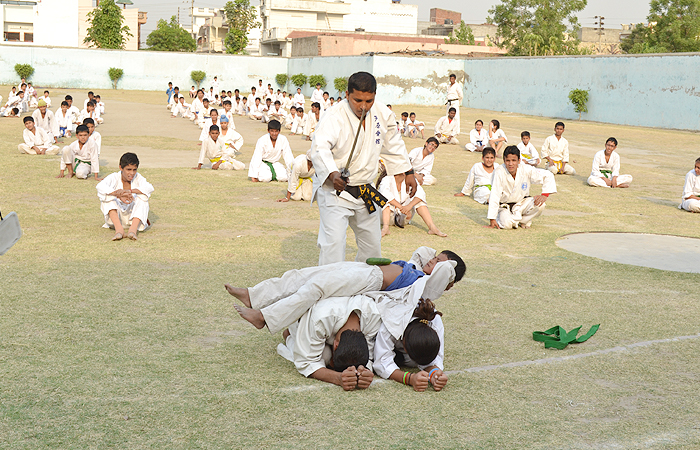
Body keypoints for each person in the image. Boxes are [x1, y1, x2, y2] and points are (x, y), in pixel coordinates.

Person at [276, 260, 457, 390]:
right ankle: (291, 335)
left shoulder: (374, 317)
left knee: (340, 358)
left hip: (344, 320)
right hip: (306, 320)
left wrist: (364, 371)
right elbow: (307, 363)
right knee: (324, 357)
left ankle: (333, 357)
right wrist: (338, 377)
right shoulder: (320, 319)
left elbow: (370, 356)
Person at [227, 248, 463, 335]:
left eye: (438, 262)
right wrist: (437, 258)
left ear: (447, 278)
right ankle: (254, 295)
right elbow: (423, 251)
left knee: (316, 287)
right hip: (364, 270)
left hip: (370, 280)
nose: (432, 260)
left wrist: (448, 269)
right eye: (436, 257)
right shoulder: (418, 267)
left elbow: (443, 273)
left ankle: (265, 318)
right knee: (305, 274)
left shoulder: (425, 287)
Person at [309, 71, 415, 265]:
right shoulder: (333, 116)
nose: (363, 106)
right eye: (357, 100)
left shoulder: (382, 114)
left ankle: (364, 281)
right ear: (347, 94)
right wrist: (333, 175)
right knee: (333, 245)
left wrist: (408, 172)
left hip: (365, 190)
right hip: (336, 191)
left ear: (375, 95)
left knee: (372, 247)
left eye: (369, 101)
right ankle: (330, 283)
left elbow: (394, 144)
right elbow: (319, 148)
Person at [487, 146, 556, 229]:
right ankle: (517, 220)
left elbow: (548, 175)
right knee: (506, 224)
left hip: (522, 204)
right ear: (504, 160)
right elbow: (495, 194)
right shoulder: (499, 171)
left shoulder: (526, 169)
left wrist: (545, 195)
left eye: (514, 160)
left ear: (519, 161)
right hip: (504, 207)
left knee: (540, 205)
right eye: (508, 160)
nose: (510, 164)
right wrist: (492, 219)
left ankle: (523, 220)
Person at [377, 162, 446, 238]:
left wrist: (408, 207)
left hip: (405, 217)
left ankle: (432, 227)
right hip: (387, 217)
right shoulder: (387, 179)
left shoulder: (410, 179)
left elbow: (420, 194)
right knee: (385, 202)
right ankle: (385, 228)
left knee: (420, 202)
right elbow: (385, 194)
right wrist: (401, 207)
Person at [96, 152, 153, 241]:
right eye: (128, 169)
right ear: (121, 168)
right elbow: (100, 186)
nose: (132, 173)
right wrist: (118, 194)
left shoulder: (138, 177)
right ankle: (119, 231)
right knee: (108, 197)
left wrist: (129, 191)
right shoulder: (114, 177)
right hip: (116, 219)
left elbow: (149, 188)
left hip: (133, 218)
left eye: (134, 170)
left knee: (142, 197)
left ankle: (132, 231)